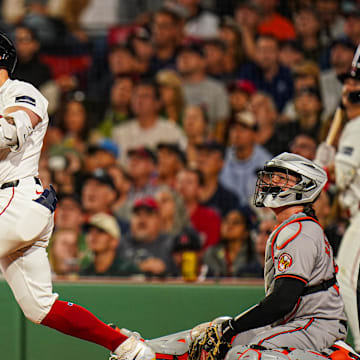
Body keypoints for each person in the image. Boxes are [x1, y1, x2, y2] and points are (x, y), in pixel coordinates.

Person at [0, 32, 155, 360]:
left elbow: (9, 132)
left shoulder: (20, 91)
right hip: (13, 208)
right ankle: (127, 348)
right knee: (40, 308)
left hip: (16, 201)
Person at [195, 153, 346, 356]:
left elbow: (283, 300)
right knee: (214, 337)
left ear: (305, 186)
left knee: (246, 353)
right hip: (298, 321)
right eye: (272, 175)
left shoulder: (300, 232)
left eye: (282, 177)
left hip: (316, 324)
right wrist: (228, 329)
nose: (272, 181)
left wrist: (232, 327)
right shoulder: (293, 226)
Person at [316, 47, 360, 352]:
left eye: (355, 85)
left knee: (345, 280)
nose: (349, 88)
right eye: (348, 82)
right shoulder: (351, 125)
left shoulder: (357, 127)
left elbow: (339, 177)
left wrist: (320, 167)